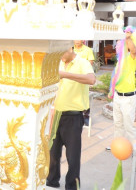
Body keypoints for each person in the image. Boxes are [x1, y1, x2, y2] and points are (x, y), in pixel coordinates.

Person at [46, 47, 96, 190]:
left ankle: (72, 186)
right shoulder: (59, 62)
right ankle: (52, 181)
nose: (59, 56)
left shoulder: (82, 63)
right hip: (56, 114)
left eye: (61, 52)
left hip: (73, 116)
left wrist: (65, 75)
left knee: (73, 157)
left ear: (69, 48)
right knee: (53, 153)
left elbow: (91, 80)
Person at [110, 30, 136, 149]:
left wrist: (128, 38)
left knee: (128, 125)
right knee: (118, 124)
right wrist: (112, 91)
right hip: (118, 96)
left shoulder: (131, 59)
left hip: (128, 97)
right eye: (117, 46)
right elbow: (115, 78)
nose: (117, 48)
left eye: (120, 46)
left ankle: (133, 147)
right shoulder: (119, 62)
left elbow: (133, 50)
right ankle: (117, 146)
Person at [73, 40, 95, 126]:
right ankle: (75, 115)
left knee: (85, 96)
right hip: (72, 77)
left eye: (79, 38)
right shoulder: (71, 49)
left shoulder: (88, 50)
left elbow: (90, 63)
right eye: (75, 38)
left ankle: (86, 116)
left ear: (83, 40)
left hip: (83, 77)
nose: (77, 40)